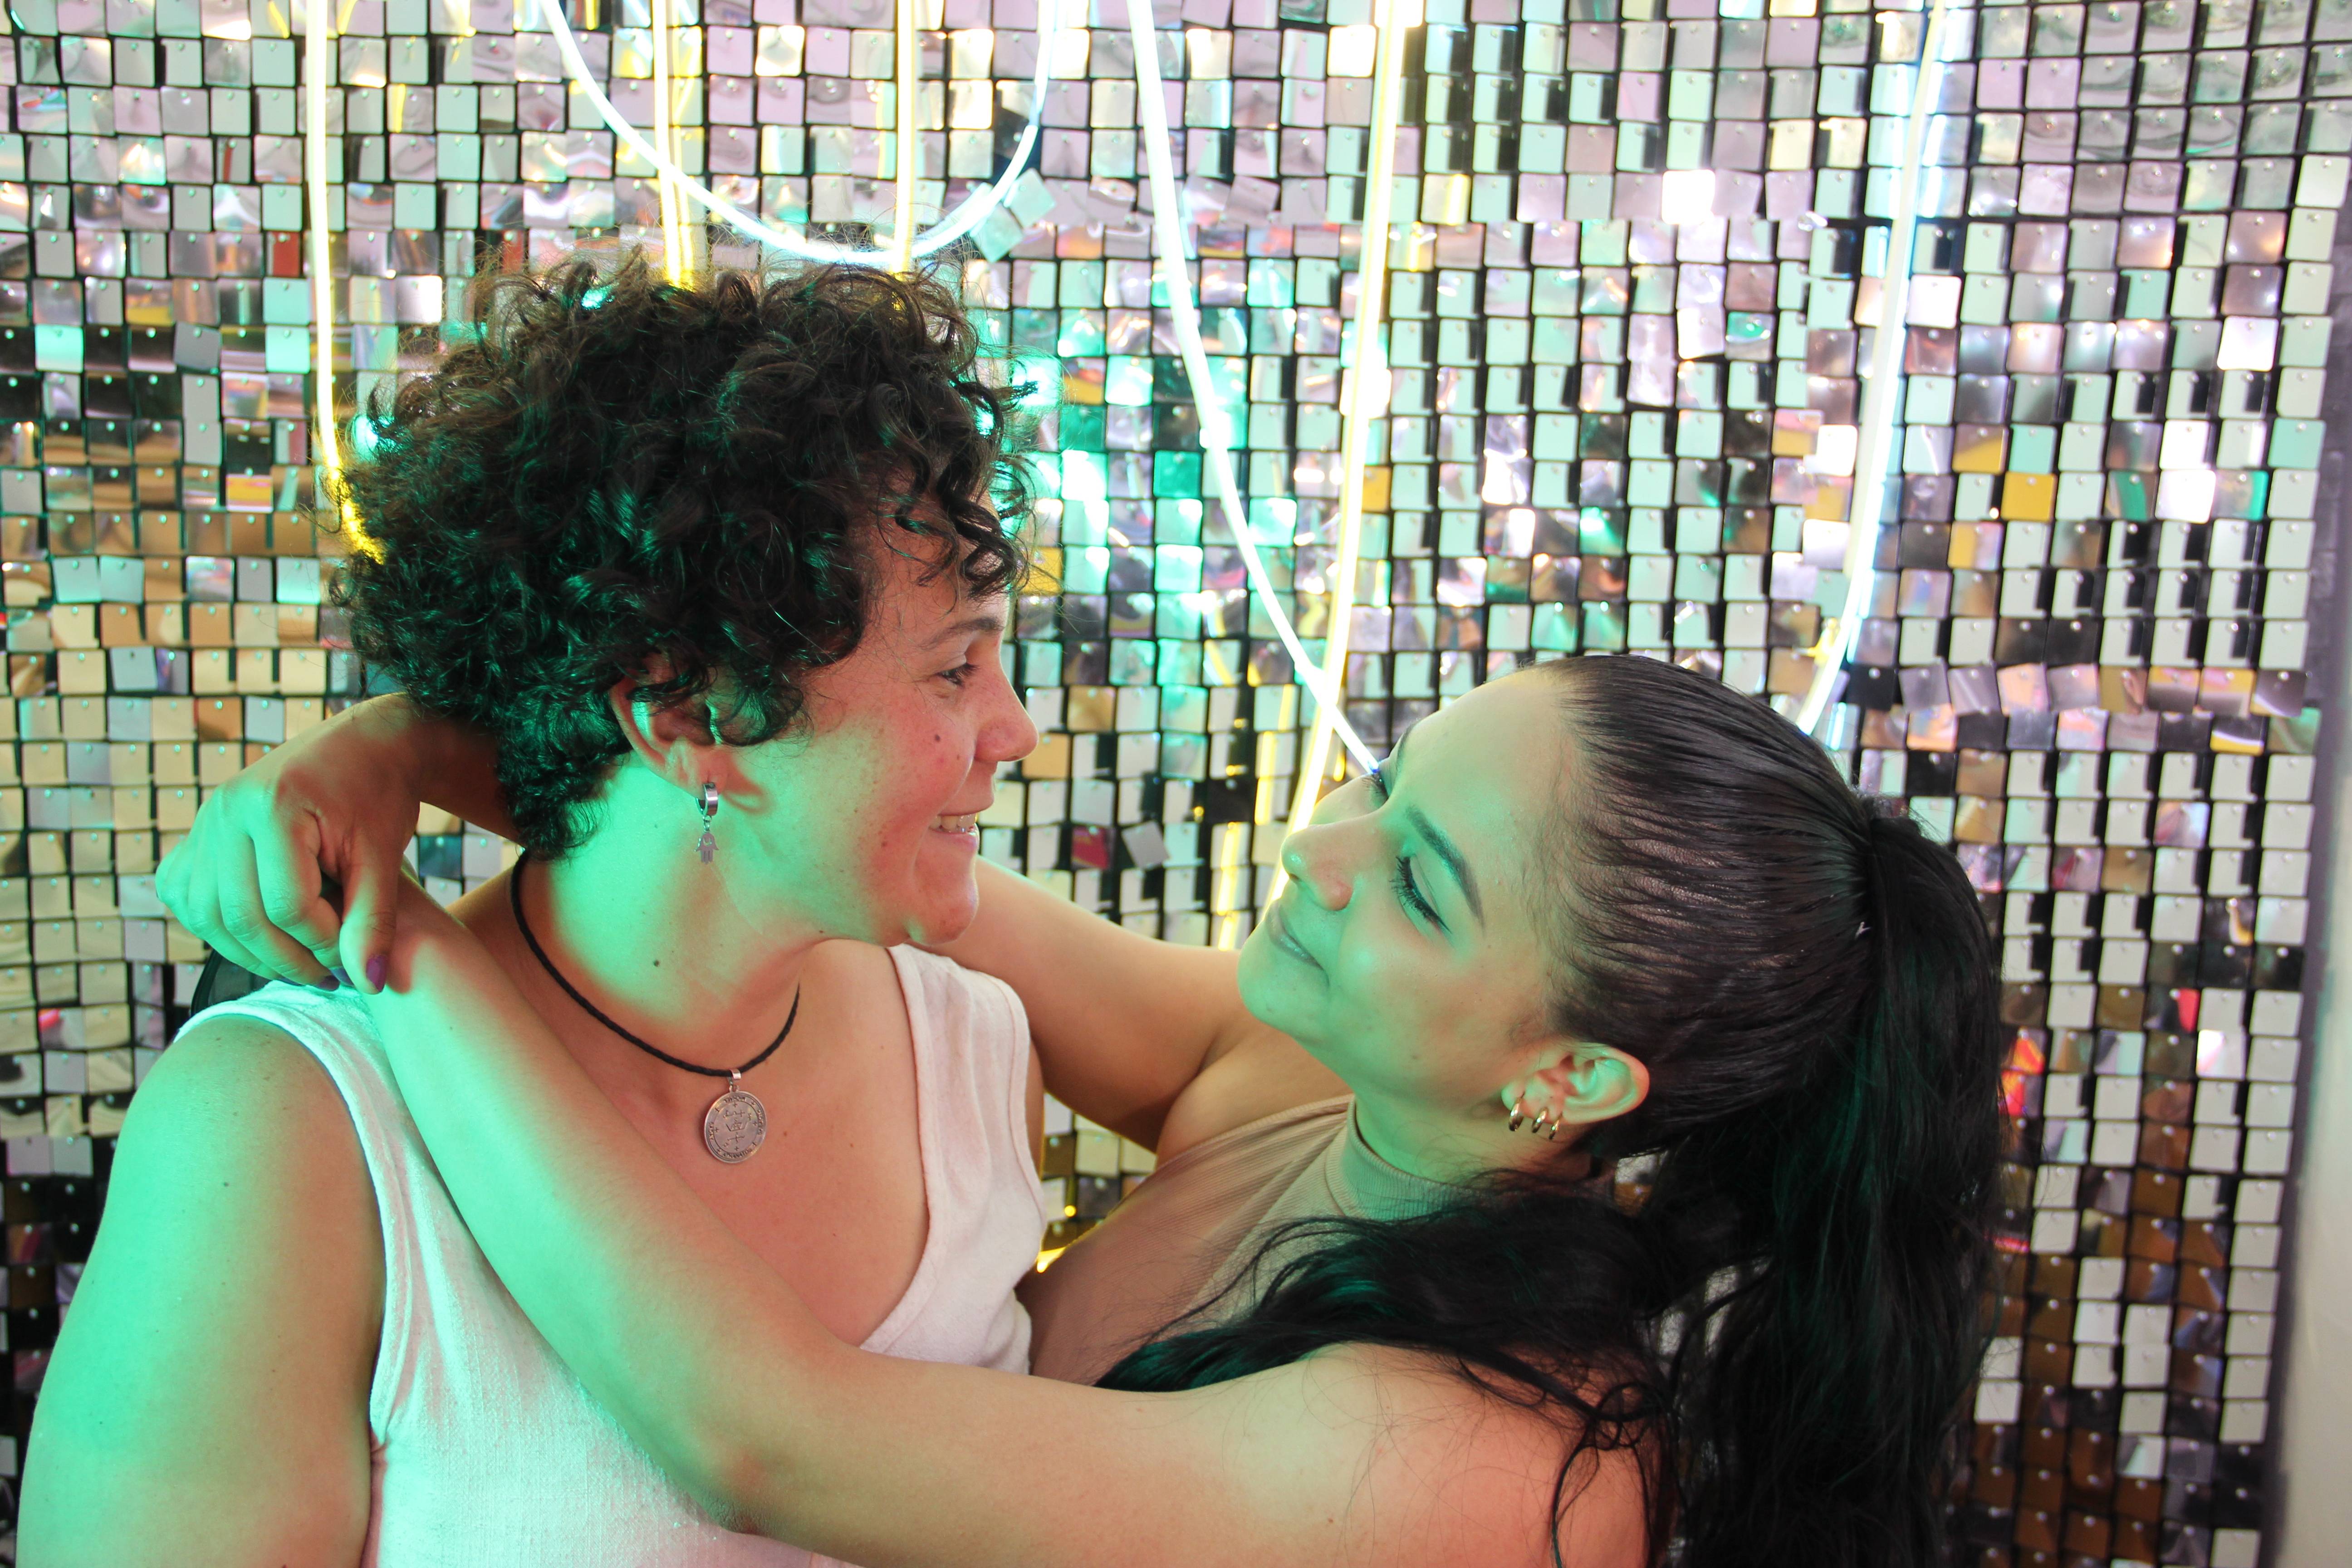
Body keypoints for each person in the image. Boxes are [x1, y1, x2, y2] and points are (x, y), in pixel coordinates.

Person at [144, 649, 2007, 1566]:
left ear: (1573, 1082)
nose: (1321, 844)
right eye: (1387, 779)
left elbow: (760, 1435)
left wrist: (395, 950)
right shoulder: (1305, 1078)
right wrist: (390, 751)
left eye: (1423, 881)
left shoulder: (1488, 1461)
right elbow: (847, 840)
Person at [18, 253, 1062, 1565]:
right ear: (691, 717)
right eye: (958, 667)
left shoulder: (979, 1060)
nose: (1016, 729)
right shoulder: (282, 1128)